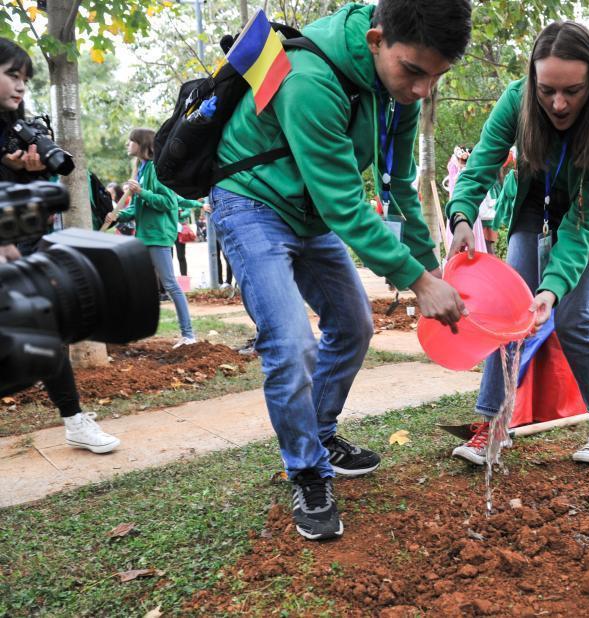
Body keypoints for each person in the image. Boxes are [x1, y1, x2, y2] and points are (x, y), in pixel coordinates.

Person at [208, 0, 472, 540]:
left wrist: (430, 269)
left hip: (311, 209)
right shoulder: (309, 78)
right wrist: (418, 283)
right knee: (290, 342)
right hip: (252, 203)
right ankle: (306, 470)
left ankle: (319, 431)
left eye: (436, 77)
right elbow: (345, 206)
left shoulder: (395, 92)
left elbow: (399, 186)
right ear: (376, 40)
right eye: (414, 72)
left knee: (354, 326)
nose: (423, 89)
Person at [447, 21, 589, 465]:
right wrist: (461, 217)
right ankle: (494, 425)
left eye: (572, 90)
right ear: (533, 78)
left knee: (572, 319)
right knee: (508, 313)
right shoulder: (516, 100)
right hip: (537, 199)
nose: (557, 102)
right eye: (547, 88)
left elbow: (581, 224)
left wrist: (551, 290)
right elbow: (479, 167)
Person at [0, 38, 119, 453]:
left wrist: (27, 176)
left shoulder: (16, 131)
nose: (20, 87)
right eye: (11, 75)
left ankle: (74, 420)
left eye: (25, 79)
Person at [105, 128, 196, 347]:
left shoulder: (156, 169)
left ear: (142, 144)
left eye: (131, 141)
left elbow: (169, 203)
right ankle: (132, 330)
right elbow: (137, 208)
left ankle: (189, 335)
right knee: (135, 283)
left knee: (171, 284)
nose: (127, 144)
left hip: (158, 235)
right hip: (145, 235)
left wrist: (141, 192)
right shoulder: (142, 169)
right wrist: (116, 216)